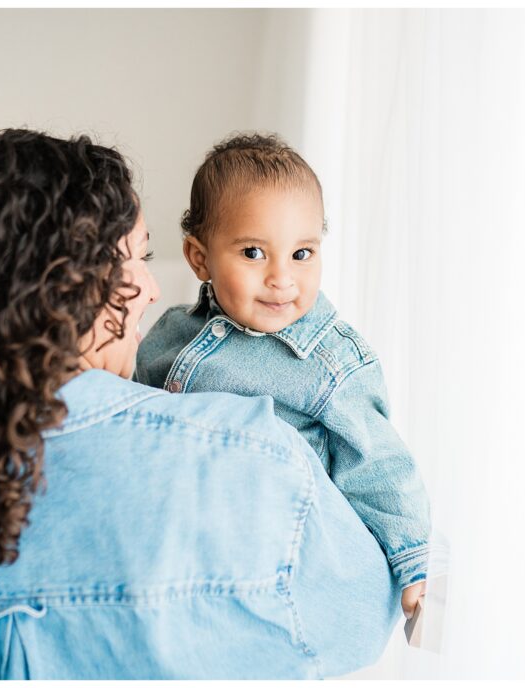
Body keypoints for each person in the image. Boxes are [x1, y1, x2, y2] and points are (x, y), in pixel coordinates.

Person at [0, 129, 401, 679]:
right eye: (138, 260)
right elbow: (364, 615)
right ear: (68, 285)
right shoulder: (251, 455)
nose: (151, 290)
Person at [135, 133, 432, 620]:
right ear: (199, 258)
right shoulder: (169, 334)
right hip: (180, 546)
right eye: (254, 253)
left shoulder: (330, 361)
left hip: (278, 559)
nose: (282, 278)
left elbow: (379, 465)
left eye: (302, 253)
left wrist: (413, 564)